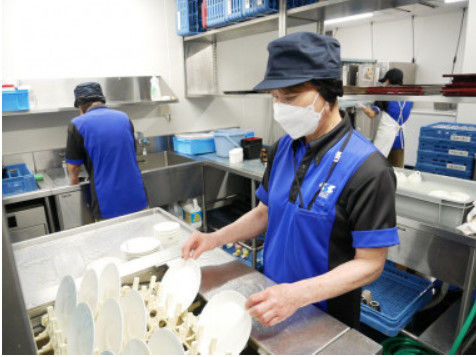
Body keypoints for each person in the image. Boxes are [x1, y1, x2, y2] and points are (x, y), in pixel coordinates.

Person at [182, 32, 399, 329]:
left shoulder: (368, 169)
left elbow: (371, 263)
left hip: (325, 317)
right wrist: (214, 238)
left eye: (291, 96)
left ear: (328, 91)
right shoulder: (284, 147)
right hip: (271, 299)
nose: (281, 107)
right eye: (275, 98)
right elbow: (265, 212)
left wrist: (296, 295)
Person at [65, 82, 148, 220]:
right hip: (137, 196)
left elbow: (73, 167)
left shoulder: (77, 124)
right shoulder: (124, 117)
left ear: (80, 105)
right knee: (141, 239)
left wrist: (74, 183)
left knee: (113, 241)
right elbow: (131, 152)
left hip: (108, 203)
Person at [361, 68, 413, 167]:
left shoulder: (385, 95)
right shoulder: (409, 96)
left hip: (386, 137)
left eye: (385, 81)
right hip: (400, 138)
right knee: (397, 170)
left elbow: (372, 114)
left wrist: (361, 106)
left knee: (377, 165)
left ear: (388, 80)